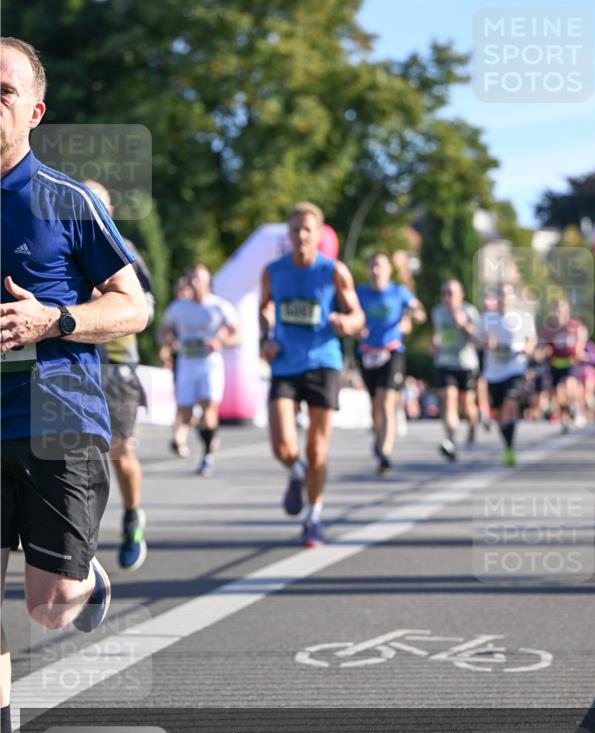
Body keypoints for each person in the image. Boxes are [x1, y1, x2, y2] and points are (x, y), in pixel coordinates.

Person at [0, 37, 148, 733]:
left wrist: (52, 318)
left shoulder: (65, 197)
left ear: (34, 109)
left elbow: (134, 304)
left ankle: (84, 581)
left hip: (57, 418)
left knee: (46, 604)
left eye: (2, 91)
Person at [259, 202, 364, 546]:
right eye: (295, 230)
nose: (301, 235)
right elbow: (264, 308)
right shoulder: (273, 271)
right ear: (288, 234)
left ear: (319, 235)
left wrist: (345, 322)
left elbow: (357, 316)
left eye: (307, 230)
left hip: (323, 360)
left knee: (318, 450)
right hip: (286, 362)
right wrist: (266, 337)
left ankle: (313, 517)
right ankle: (296, 472)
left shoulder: (334, 271)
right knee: (282, 445)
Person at [84, 180, 154, 571]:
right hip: (74, 365)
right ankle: (78, 543)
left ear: (108, 212)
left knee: (119, 451)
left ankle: (131, 516)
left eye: (96, 203)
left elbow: (147, 308)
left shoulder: (125, 251)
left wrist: (104, 306)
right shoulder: (60, 248)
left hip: (116, 365)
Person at [159, 264, 241, 475]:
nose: (194, 283)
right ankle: (205, 436)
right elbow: (164, 330)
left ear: (207, 283)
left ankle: (207, 455)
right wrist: (169, 342)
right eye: (191, 279)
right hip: (187, 363)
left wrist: (220, 342)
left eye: (199, 279)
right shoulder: (179, 307)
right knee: (185, 413)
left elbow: (237, 335)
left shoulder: (219, 306)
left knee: (208, 408)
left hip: (209, 364)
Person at [356, 251, 425, 474]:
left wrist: (410, 317)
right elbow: (350, 313)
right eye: (373, 265)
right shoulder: (361, 292)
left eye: (381, 266)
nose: (376, 270)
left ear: (388, 270)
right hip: (367, 352)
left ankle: (385, 452)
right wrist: (356, 327)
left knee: (387, 400)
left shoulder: (398, 291)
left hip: (392, 350)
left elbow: (419, 311)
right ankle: (378, 436)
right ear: (369, 269)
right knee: (375, 403)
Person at [476, 282, 537, 465]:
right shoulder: (487, 318)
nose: (503, 298)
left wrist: (528, 347)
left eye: (507, 294)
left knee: (511, 404)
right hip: (494, 373)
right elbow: (476, 340)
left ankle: (510, 447)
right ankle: (508, 446)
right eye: (500, 295)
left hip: (515, 369)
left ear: (513, 298)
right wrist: (486, 343)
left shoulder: (523, 318)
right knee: (499, 415)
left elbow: (532, 340)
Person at [431, 279, 481, 461]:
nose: (447, 297)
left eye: (451, 293)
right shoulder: (437, 312)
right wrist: (435, 342)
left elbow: (478, 339)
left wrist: (464, 324)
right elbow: (439, 333)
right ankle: (450, 441)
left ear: (461, 294)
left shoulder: (469, 311)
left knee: (467, 404)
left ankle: (473, 424)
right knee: (448, 399)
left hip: (466, 363)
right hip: (445, 361)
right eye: (444, 293)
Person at [542, 298, 585, 432]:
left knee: (568, 385)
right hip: (555, 363)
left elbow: (581, 338)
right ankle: (564, 419)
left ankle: (575, 408)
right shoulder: (550, 329)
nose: (558, 312)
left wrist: (579, 349)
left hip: (570, 362)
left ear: (567, 311)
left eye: (561, 309)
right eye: (556, 310)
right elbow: (545, 346)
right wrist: (542, 352)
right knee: (559, 394)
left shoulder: (574, 327)